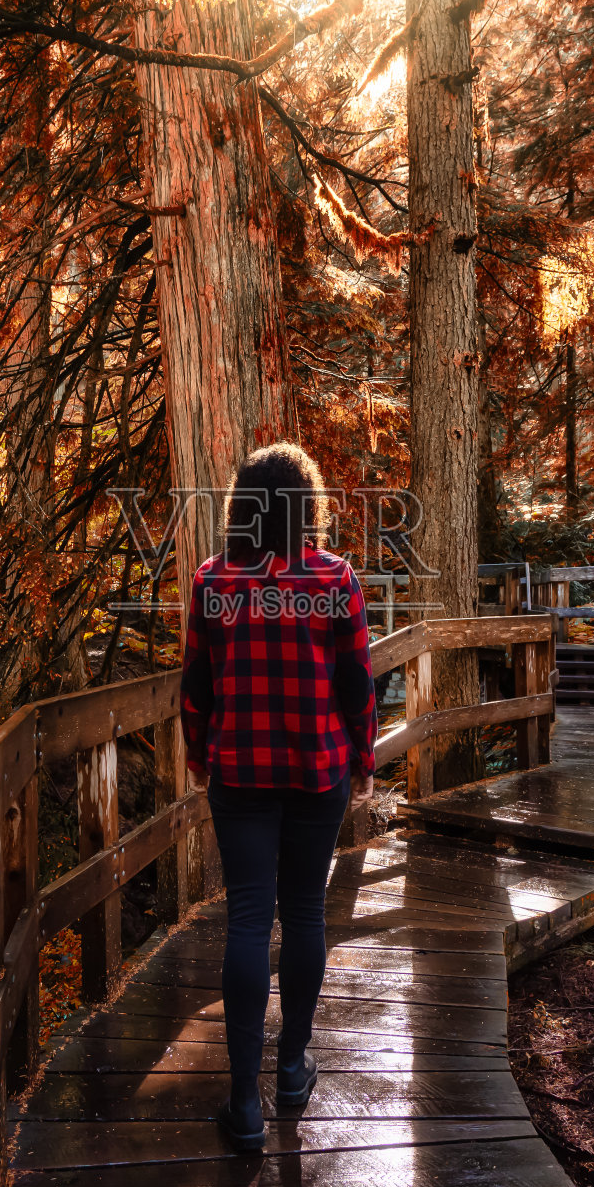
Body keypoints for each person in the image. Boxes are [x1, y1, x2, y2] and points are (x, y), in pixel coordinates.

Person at [179, 443, 378, 1151]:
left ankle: (244, 1102)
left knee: (245, 920)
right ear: (307, 508)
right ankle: (291, 1069)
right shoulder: (334, 578)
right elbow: (356, 677)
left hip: (238, 773)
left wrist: (198, 754)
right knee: (303, 916)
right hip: (317, 770)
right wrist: (363, 753)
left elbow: (196, 683)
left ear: (241, 508)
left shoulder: (212, 581)